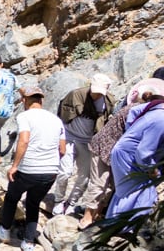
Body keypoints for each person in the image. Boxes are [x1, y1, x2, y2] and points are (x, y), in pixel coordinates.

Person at [0, 85, 65, 251]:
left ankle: (4, 231)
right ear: (41, 100)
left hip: (28, 170)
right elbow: (62, 150)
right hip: (50, 172)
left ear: (25, 100)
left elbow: (24, 140)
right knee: (33, 204)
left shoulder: (24, 116)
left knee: (12, 197)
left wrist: (15, 166)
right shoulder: (56, 119)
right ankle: (28, 244)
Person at [82, 78, 164, 226]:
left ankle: (107, 218)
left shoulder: (147, 109)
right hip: (107, 148)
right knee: (103, 184)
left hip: (119, 150)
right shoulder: (157, 116)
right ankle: (92, 219)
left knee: (119, 188)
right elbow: (144, 150)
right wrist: (151, 168)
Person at [45, 74, 112, 217]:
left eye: (100, 92)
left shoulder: (107, 102)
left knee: (85, 176)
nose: (97, 95)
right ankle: (58, 200)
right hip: (69, 137)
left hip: (88, 142)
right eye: (95, 91)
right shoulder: (75, 95)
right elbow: (61, 114)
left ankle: (72, 202)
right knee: (64, 172)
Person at [107, 87, 164, 221]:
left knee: (127, 191)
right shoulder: (162, 119)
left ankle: (116, 225)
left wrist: (130, 131)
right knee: (140, 189)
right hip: (130, 156)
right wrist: (151, 168)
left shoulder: (158, 110)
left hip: (124, 152)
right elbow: (143, 152)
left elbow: (134, 111)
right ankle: (126, 226)